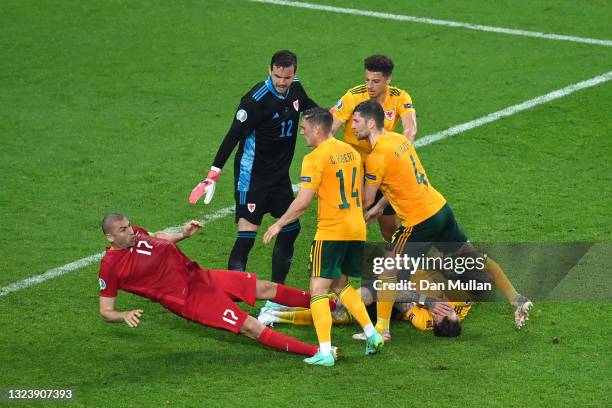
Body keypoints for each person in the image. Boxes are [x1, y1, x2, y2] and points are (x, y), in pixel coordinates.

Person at [350, 99, 533, 336]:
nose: (352, 126)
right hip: (440, 209)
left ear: (371, 123)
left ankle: (381, 330)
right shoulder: (399, 140)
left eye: (356, 121)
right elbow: (403, 181)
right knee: (472, 256)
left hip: (419, 220)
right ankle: (515, 298)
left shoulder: (375, 157)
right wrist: (383, 205)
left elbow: (365, 199)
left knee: (388, 271)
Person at [98, 213, 327, 358]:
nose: (130, 231)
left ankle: (332, 305)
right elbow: (105, 311)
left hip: (198, 276)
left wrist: (183, 234)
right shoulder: (110, 266)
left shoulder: (135, 234)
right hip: (187, 299)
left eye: (128, 226)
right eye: (123, 230)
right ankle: (316, 352)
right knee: (249, 325)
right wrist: (124, 314)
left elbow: (157, 237)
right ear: (110, 237)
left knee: (265, 287)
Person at [263, 108, 383, 366]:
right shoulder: (351, 151)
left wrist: (278, 224)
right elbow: (363, 196)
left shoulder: (314, 158)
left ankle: (325, 351)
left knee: (318, 290)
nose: (302, 132)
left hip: (331, 230)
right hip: (356, 228)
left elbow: (302, 202)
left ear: (318, 129)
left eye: (304, 128)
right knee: (341, 284)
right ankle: (372, 334)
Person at [189, 50, 318, 287]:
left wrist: (341, 114)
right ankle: (233, 297)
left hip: (279, 177)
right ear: (270, 70)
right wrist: (213, 174)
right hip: (253, 178)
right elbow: (232, 137)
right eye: (277, 76)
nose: (281, 82)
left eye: (286, 78)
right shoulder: (255, 101)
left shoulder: (296, 89)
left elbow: (313, 112)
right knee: (247, 237)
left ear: (294, 74)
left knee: (291, 229)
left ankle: (277, 293)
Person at [330, 55, 417, 243]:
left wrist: (401, 151)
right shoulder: (354, 96)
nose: (370, 86)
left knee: (389, 228)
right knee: (351, 218)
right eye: (367, 80)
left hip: (381, 166)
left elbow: (410, 128)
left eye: (376, 81)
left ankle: (401, 262)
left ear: (388, 80)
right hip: (355, 166)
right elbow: (331, 128)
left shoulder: (400, 97)